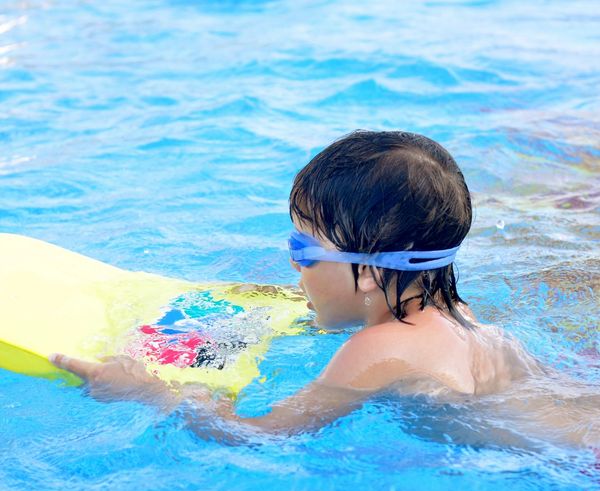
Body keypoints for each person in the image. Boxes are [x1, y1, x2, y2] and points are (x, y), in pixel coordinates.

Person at [50, 130, 540, 436]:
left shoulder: (379, 348)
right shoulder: (462, 318)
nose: (293, 265)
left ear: (368, 271)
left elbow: (262, 435)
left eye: (303, 251)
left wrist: (150, 393)